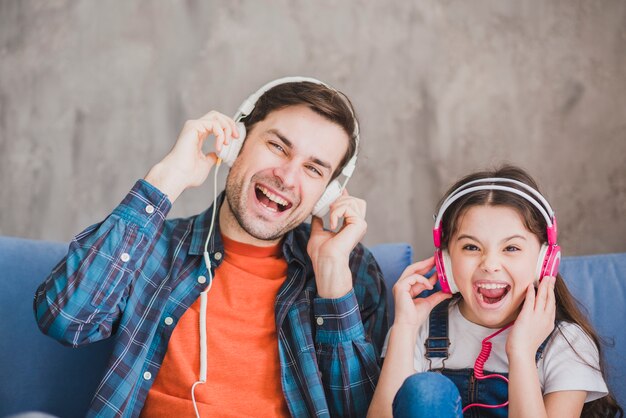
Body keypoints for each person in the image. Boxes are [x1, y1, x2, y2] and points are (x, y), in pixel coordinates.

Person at [34, 77, 388, 418]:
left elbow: (362, 411)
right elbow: (65, 320)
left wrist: (332, 276)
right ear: (236, 142)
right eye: (277, 146)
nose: (287, 176)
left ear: (326, 193)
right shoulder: (155, 245)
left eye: (313, 169)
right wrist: (165, 180)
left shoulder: (348, 271)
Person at [368, 165, 623, 417]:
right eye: (471, 247)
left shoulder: (566, 342)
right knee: (427, 391)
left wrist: (521, 352)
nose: (489, 264)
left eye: (511, 248)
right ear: (445, 259)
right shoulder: (418, 329)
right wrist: (405, 329)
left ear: (543, 261)